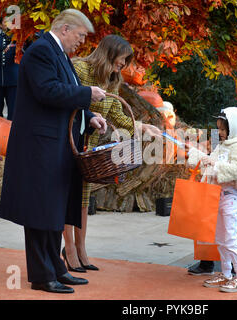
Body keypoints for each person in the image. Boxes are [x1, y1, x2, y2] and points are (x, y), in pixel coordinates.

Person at [0, 9, 108, 294]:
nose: (81, 43)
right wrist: (87, 94)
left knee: (53, 211)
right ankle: (42, 276)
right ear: (65, 29)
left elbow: (65, 90)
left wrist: (88, 114)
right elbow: (48, 91)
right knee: (39, 212)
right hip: (39, 147)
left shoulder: (57, 53)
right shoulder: (41, 52)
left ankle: (56, 268)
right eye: (80, 36)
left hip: (54, 145)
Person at [61, 34, 162, 272]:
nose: (123, 65)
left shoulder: (111, 79)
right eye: (122, 59)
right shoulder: (80, 69)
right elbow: (68, 100)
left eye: (126, 61)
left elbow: (116, 110)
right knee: (68, 198)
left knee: (84, 199)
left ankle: (81, 248)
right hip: (69, 141)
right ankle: (70, 250)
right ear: (109, 53)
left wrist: (141, 127)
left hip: (90, 148)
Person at [187, 107, 237, 293]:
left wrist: (214, 165)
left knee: (230, 239)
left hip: (232, 197)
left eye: (223, 129)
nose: (220, 133)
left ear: (234, 127)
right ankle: (226, 274)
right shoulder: (223, 145)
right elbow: (211, 162)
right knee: (220, 239)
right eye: (219, 129)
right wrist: (199, 157)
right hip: (219, 196)